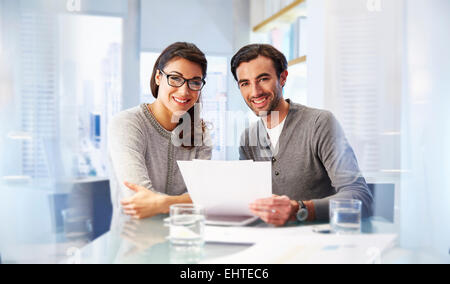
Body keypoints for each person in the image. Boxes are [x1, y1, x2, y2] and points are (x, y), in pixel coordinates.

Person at [231, 44, 373, 226]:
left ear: (282, 78)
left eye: (263, 79)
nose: (255, 91)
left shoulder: (319, 123)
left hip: (319, 243)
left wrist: (299, 209)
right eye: (245, 83)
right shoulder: (248, 138)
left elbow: (360, 197)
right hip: (269, 243)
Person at [108, 42, 212, 220]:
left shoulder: (199, 132)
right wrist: (188, 201)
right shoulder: (128, 124)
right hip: (135, 239)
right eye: (175, 78)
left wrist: (160, 204)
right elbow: (138, 199)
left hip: (186, 238)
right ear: (158, 77)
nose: (184, 90)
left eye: (194, 82)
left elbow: (207, 198)